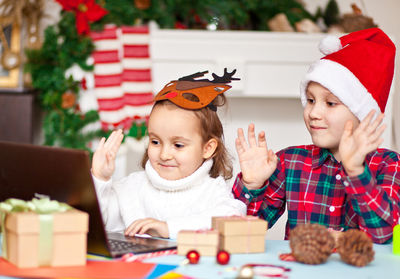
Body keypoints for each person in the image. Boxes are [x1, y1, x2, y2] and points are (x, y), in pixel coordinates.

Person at [232, 28, 400, 244]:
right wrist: (251, 185)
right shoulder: (289, 162)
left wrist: (356, 172)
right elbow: (241, 235)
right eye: (310, 100)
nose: (313, 113)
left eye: (330, 103)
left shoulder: (389, 164)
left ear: (363, 113)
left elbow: (384, 235)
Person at [92, 69, 246, 239]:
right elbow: (98, 222)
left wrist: (168, 228)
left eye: (178, 145)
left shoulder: (212, 190)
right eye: (155, 142)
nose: (164, 154)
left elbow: (233, 218)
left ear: (207, 148)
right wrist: (100, 179)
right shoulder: (132, 187)